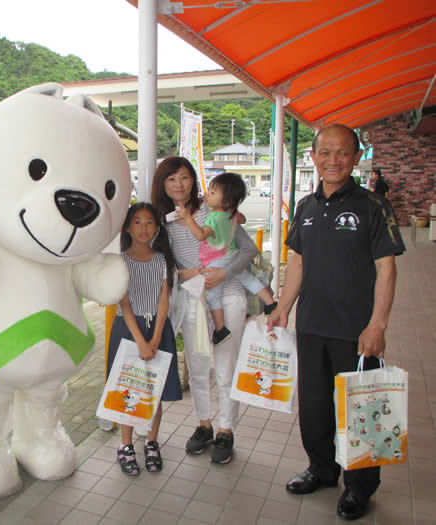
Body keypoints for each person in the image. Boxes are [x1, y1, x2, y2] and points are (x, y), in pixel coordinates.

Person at [267, 124, 404, 521]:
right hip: (311, 327)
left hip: (356, 331)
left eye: (343, 153)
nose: (333, 160)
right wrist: (283, 308)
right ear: (313, 157)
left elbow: (387, 268)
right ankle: (322, 470)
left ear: (357, 157)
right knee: (314, 408)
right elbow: (298, 261)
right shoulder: (307, 207)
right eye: (325, 152)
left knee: (361, 409)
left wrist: (377, 324)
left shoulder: (373, 206)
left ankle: (360, 488)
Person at [151, 157, 258, 464]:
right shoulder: (161, 218)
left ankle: (226, 429)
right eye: (171, 179)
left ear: (193, 180)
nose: (179, 185)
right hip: (191, 294)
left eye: (184, 177)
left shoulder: (215, 210)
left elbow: (248, 249)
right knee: (198, 365)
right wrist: (183, 274)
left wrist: (223, 274)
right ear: (163, 184)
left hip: (227, 291)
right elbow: (161, 262)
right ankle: (204, 424)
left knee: (225, 365)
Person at [107, 202, 182, 475]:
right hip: (128, 331)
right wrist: (140, 341)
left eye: (149, 221)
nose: (143, 227)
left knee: (154, 391)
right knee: (128, 389)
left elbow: (165, 301)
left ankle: (152, 442)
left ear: (157, 227)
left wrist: (156, 336)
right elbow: (124, 304)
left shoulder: (162, 259)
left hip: (157, 330)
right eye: (137, 221)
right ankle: (125, 445)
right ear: (127, 227)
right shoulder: (119, 261)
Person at [176, 172, 277, 344]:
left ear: (227, 201)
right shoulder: (232, 213)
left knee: (212, 294)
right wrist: (234, 211)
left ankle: (221, 329)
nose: (207, 194)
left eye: (213, 193)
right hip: (231, 254)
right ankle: (270, 302)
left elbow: (201, 235)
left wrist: (187, 218)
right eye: (208, 190)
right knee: (247, 278)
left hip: (218, 259)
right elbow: (243, 219)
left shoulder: (214, 218)